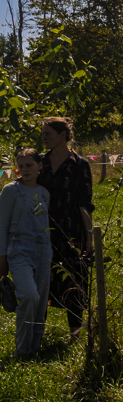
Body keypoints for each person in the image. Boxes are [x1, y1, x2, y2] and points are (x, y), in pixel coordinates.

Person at [38, 117, 94, 340]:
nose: (43, 138)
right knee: (41, 279)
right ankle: (36, 334)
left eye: (48, 133)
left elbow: (85, 202)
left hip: (72, 230)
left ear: (63, 135)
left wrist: (89, 237)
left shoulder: (80, 164)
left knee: (75, 279)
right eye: (42, 134)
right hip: (41, 229)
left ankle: (76, 334)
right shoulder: (38, 162)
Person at [0, 149, 52, 359]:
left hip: (43, 249)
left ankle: (34, 348)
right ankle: (21, 351)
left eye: (29, 165)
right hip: (18, 248)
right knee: (29, 296)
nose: (24, 170)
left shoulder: (45, 193)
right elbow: (1, 225)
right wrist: (2, 259)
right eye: (20, 166)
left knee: (40, 301)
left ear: (40, 166)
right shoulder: (10, 190)